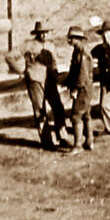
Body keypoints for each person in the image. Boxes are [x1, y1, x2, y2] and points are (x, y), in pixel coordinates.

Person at [21, 21, 65, 149]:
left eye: (46, 33)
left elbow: (55, 62)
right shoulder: (29, 45)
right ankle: (47, 142)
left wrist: (55, 74)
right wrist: (24, 70)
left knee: (59, 108)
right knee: (40, 111)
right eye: (41, 33)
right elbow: (11, 57)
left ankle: (62, 136)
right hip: (35, 81)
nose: (44, 36)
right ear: (37, 33)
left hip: (50, 81)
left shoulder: (51, 46)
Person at [64, 26, 95, 152]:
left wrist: (75, 90)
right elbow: (74, 71)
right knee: (86, 114)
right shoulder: (77, 51)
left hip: (83, 88)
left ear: (78, 39)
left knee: (76, 116)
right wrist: (67, 82)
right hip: (84, 87)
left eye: (72, 38)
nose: (69, 40)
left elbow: (82, 74)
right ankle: (89, 141)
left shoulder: (83, 53)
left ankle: (77, 146)